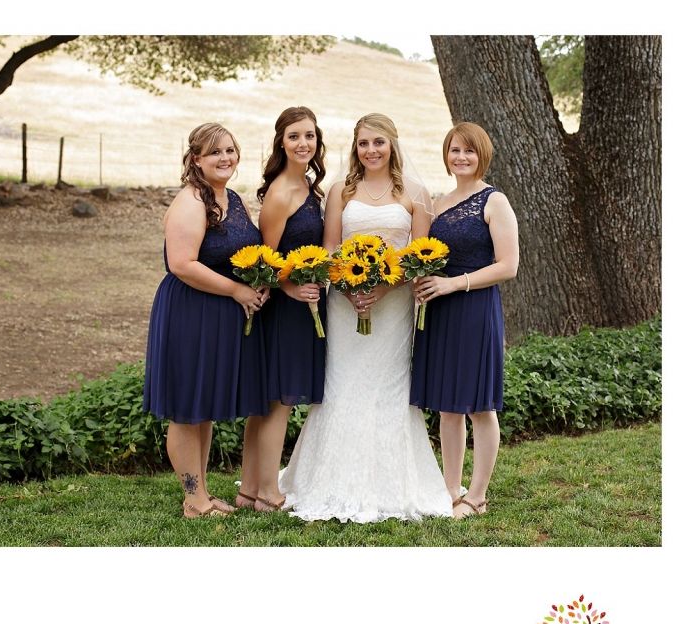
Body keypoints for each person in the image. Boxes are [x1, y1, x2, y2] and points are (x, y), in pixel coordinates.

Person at [278, 113, 453, 522]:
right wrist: (351, 287)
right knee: (343, 383)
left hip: (392, 305)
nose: (370, 150)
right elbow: (331, 248)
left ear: (393, 143)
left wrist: (382, 287)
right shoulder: (341, 190)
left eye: (378, 142)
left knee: (387, 386)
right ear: (354, 147)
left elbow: (418, 257)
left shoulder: (417, 192)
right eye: (362, 143)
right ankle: (327, 481)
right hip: (344, 302)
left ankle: (395, 485)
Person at [143, 123, 268, 518]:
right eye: (215, 152)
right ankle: (192, 499)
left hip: (218, 315)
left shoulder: (230, 197)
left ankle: (202, 494)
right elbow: (182, 263)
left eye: (230, 150)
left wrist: (258, 279)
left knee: (204, 406)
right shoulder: (191, 201)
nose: (225, 158)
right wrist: (236, 291)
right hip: (190, 312)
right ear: (195, 158)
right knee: (186, 407)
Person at [410, 122, 519, 518]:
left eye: (469, 151)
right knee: (448, 407)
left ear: (482, 155)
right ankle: (449, 490)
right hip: (439, 310)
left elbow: (509, 266)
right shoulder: (437, 203)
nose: (461, 157)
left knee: (480, 407)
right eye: (454, 150)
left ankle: (477, 496)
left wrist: (454, 284)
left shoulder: (495, 201)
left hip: (474, 307)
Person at [236, 107, 328, 512]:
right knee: (280, 401)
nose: (303, 143)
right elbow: (264, 261)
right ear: (281, 142)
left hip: (303, 305)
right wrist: (291, 288)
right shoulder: (279, 192)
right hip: (285, 310)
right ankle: (269, 495)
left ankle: (248, 490)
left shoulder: (310, 186)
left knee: (269, 403)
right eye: (294, 136)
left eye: (309, 136)